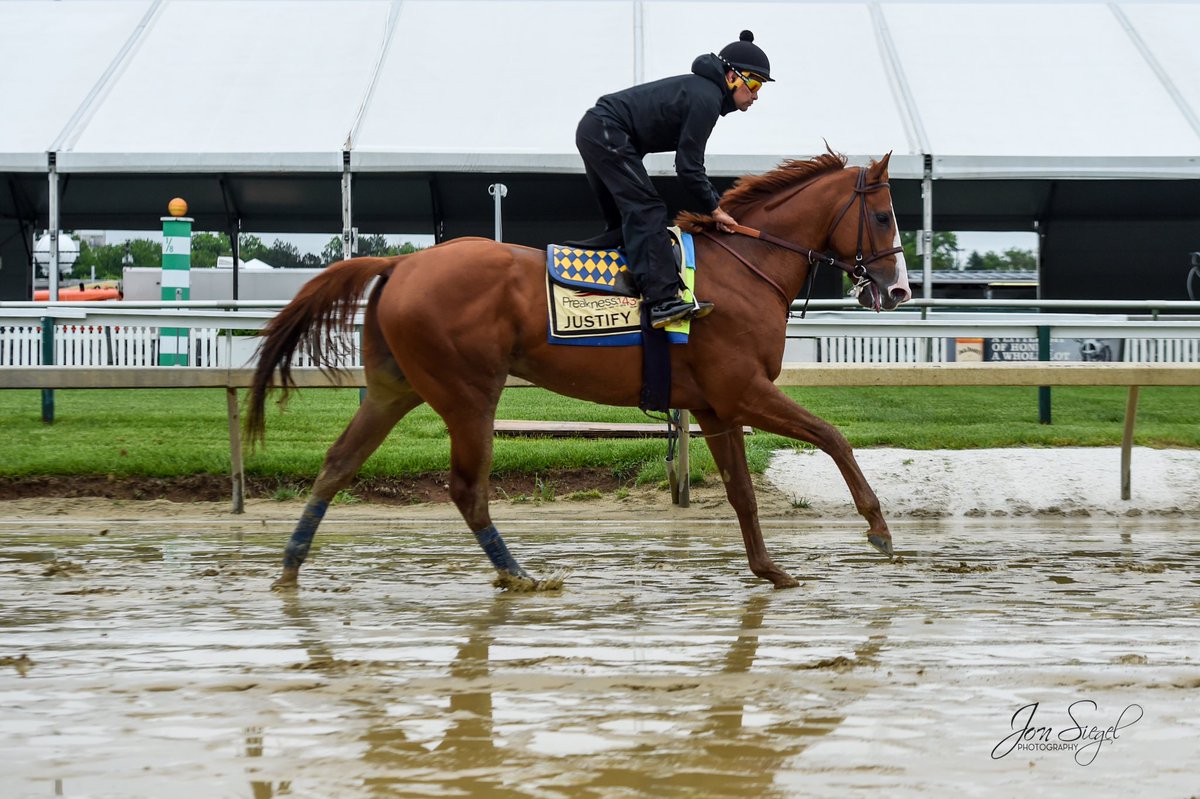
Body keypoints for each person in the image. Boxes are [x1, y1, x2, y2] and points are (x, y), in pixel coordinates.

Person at [574, 30, 772, 329]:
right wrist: (715, 209)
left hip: (598, 130)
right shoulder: (706, 97)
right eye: (755, 84)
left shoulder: (702, 92)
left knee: (624, 225)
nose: (756, 95)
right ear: (732, 76)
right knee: (648, 209)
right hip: (605, 131)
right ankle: (662, 302)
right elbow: (689, 167)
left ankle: (618, 287)